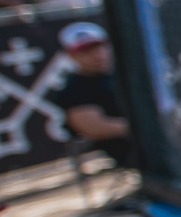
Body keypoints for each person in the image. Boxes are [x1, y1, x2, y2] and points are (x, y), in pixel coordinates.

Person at [51, 22, 133, 170]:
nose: (97, 55)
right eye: (86, 51)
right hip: (131, 149)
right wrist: (143, 126)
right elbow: (95, 127)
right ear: (71, 56)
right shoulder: (74, 89)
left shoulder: (126, 73)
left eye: (100, 47)